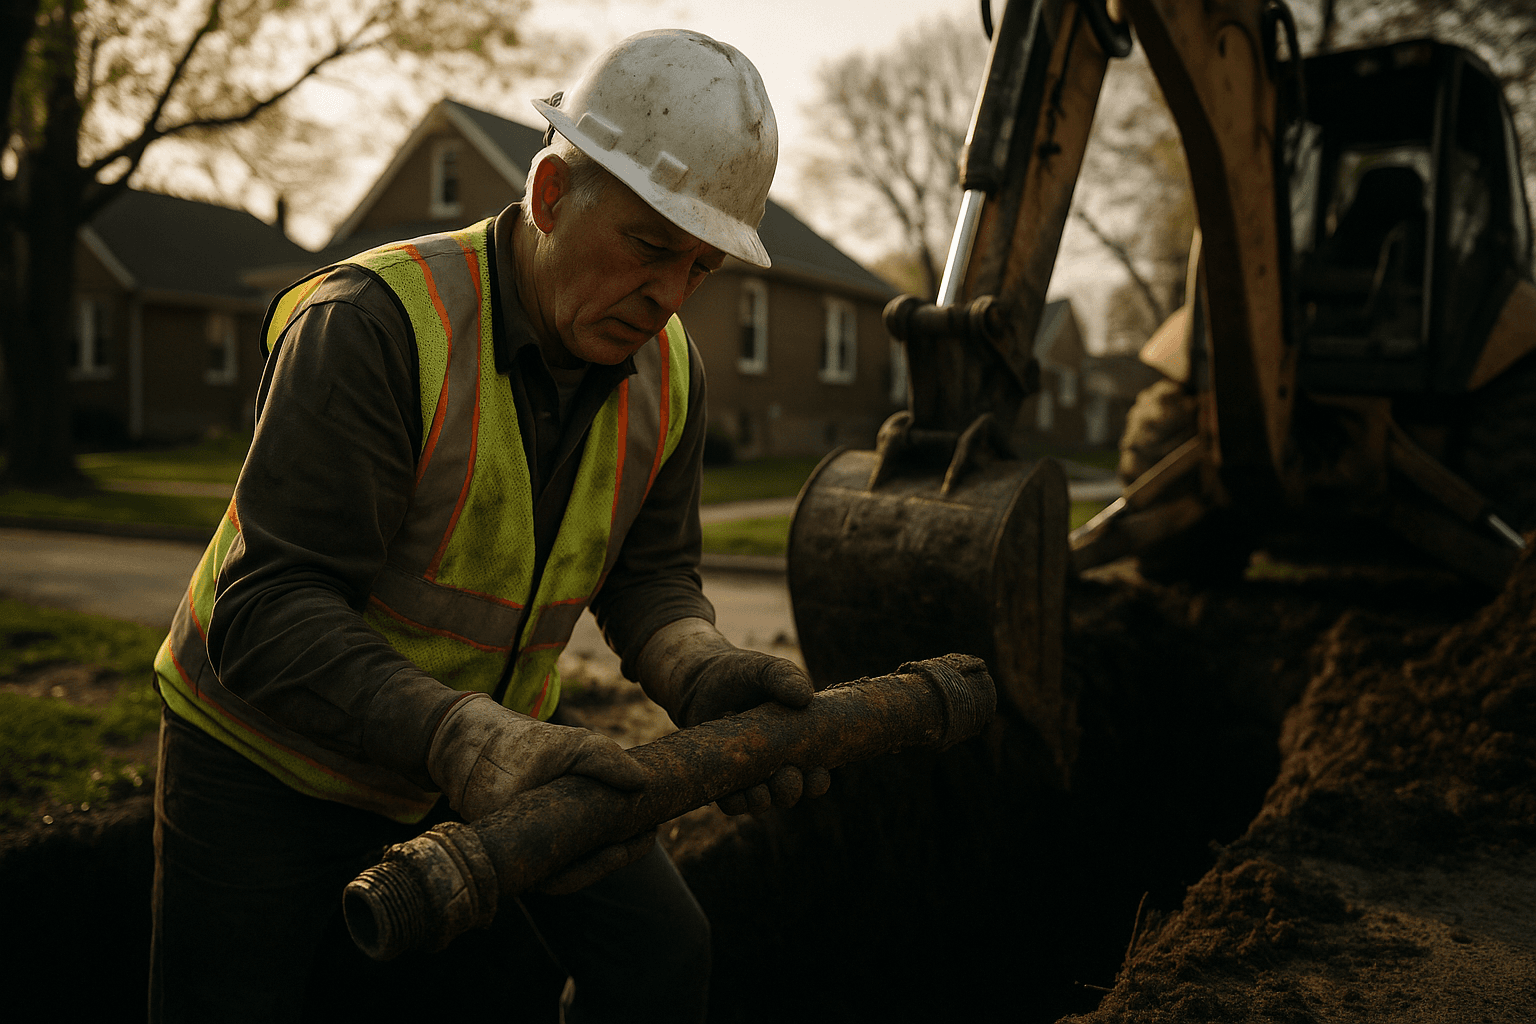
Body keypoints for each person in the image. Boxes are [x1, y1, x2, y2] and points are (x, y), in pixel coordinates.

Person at [149, 29, 824, 1023]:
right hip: (267, 754)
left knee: (663, 956)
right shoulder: (373, 325)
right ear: (551, 196)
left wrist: (702, 668)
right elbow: (269, 607)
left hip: (487, 736)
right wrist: (466, 737)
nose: (670, 297)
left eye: (701, 268)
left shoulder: (671, 370)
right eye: (648, 248)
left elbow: (650, 577)